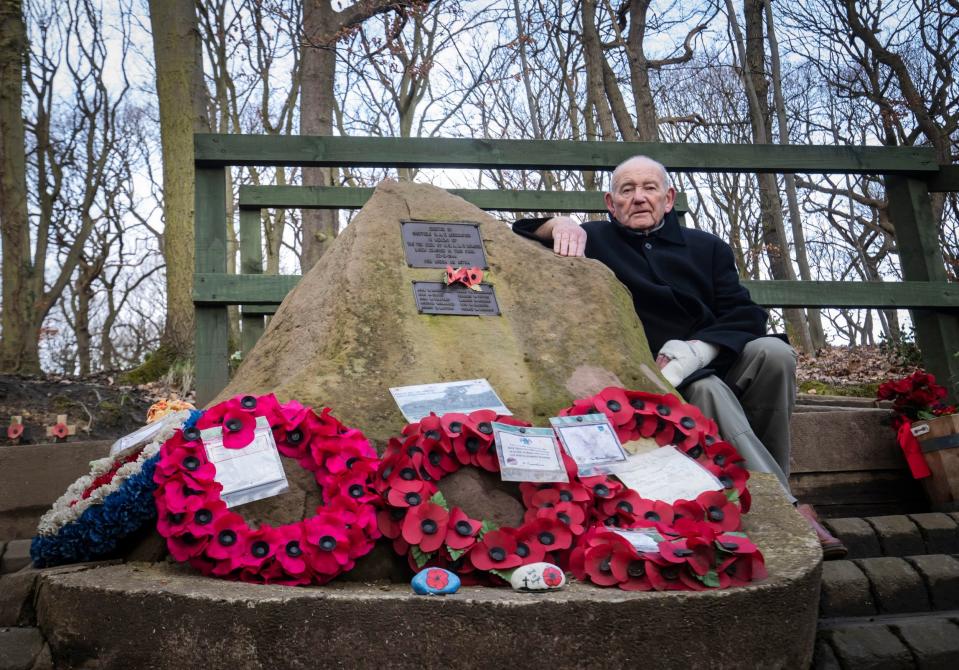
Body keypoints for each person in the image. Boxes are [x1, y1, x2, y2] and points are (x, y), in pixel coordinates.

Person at [512, 155, 847, 559]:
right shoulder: (596, 239)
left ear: (669, 199)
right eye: (627, 190)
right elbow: (523, 230)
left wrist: (697, 351)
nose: (639, 198)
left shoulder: (707, 248)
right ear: (610, 201)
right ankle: (788, 506)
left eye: (649, 188)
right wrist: (559, 224)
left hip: (716, 355)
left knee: (775, 353)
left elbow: (746, 315)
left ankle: (772, 486)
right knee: (705, 389)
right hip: (658, 377)